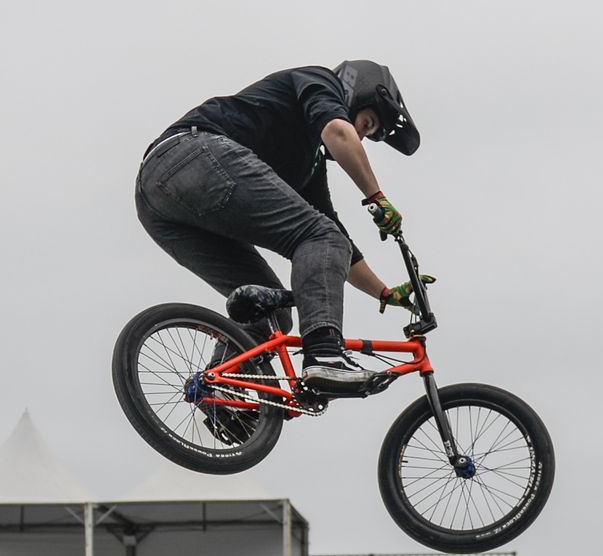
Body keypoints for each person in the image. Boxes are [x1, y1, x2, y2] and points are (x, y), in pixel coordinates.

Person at [137, 62, 420, 398]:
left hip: (158, 205)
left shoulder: (307, 164)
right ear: (355, 94)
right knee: (321, 236)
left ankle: (219, 392)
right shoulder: (320, 81)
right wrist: (377, 198)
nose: (359, 136)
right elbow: (338, 132)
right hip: (191, 154)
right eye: (366, 124)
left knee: (270, 314)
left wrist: (384, 293)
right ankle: (325, 353)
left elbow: (334, 236)